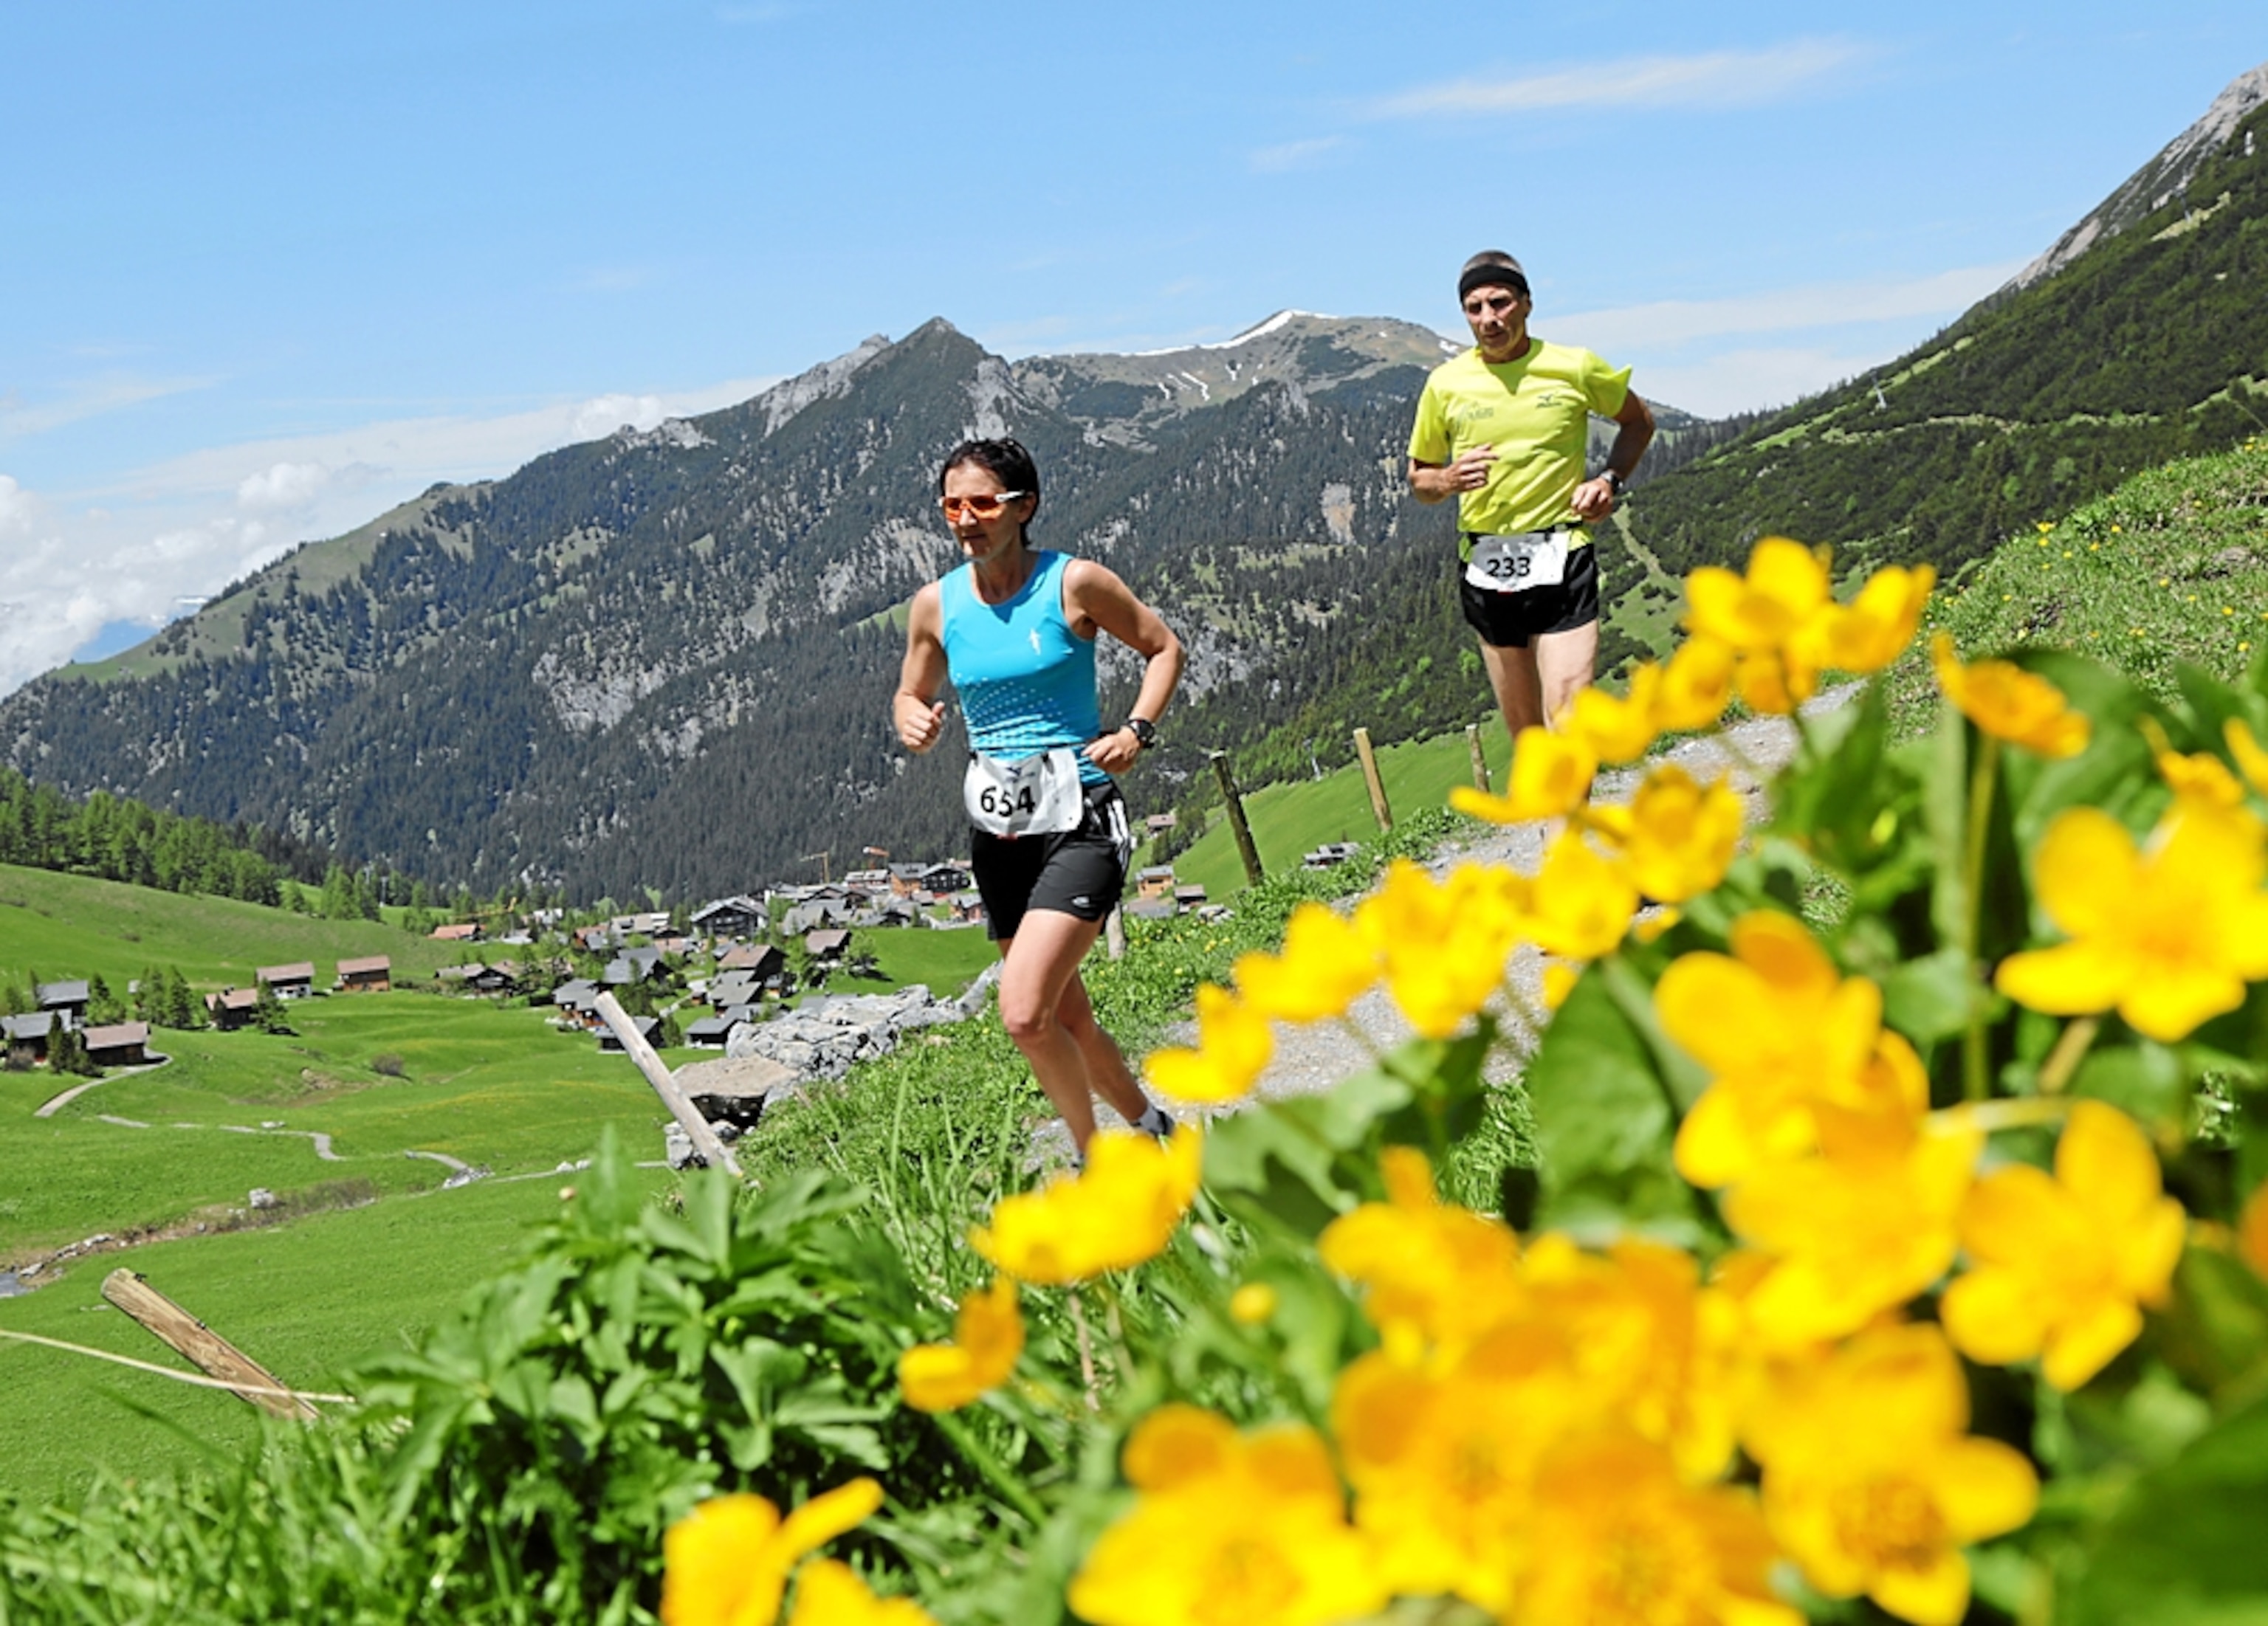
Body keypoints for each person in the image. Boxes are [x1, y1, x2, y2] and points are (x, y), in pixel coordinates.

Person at [893, 437, 1186, 1157]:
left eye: (983, 503)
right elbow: (912, 689)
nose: (967, 519)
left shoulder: (1074, 583)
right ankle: (1154, 1132)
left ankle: (1094, 1161)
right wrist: (910, 716)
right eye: (952, 506)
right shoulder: (936, 605)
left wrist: (1137, 731)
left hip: (1081, 818)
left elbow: (1163, 647)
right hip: (999, 836)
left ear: (1025, 507)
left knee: (1024, 1014)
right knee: (1068, 1017)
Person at [1409, 250, 1656, 740]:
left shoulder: (1574, 366)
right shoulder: (1445, 384)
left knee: (1568, 716)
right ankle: (1554, 814)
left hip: (1564, 554)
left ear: (1526, 303)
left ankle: (1570, 822)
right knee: (1530, 738)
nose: (1488, 319)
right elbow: (1420, 480)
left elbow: (1638, 421)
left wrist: (1609, 479)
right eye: (1474, 308)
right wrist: (1448, 479)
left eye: (1499, 302)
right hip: (1485, 563)